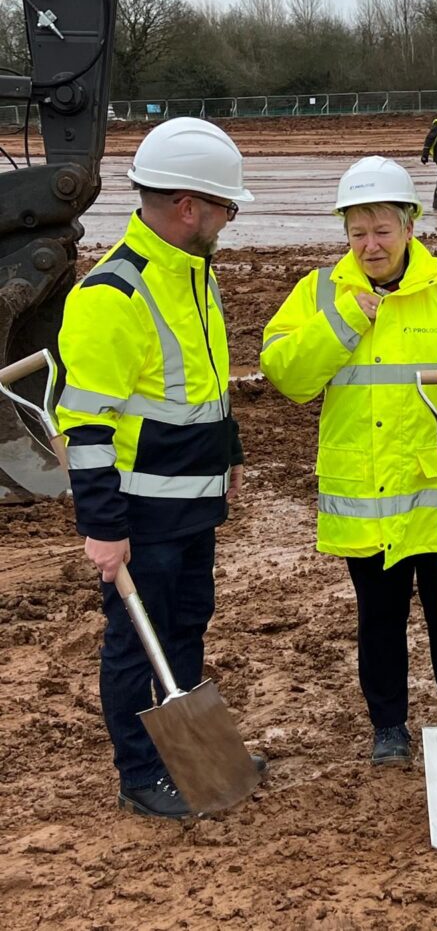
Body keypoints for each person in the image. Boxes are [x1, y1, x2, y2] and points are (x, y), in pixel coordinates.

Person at [260, 156, 437, 765]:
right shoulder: (321, 291)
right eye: (358, 233)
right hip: (366, 495)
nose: (370, 245)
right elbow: (288, 374)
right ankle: (389, 727)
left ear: (410, 226)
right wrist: (349, 316)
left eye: (382, 230)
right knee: (378, 618)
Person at [56, 117, 263, 819]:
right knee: (132, 647)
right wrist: (104, 529)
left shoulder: (193, 274)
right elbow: (85, 427)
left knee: (186, 626)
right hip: (141, 514)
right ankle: (141, 774)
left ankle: (192, 754)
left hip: (193, 504)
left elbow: (203, 384)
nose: (228, 221)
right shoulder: (112, 296)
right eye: (224, 208)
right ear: (187, 207)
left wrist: (227, 452)